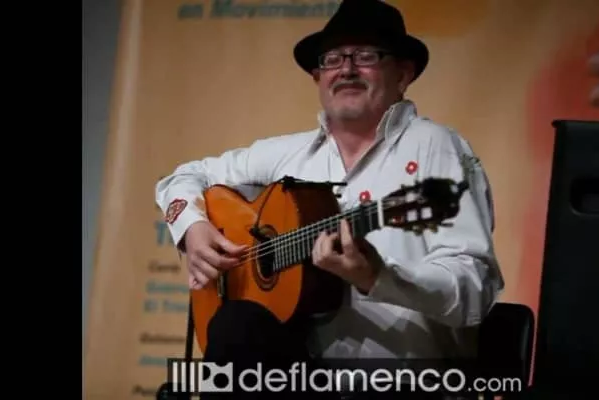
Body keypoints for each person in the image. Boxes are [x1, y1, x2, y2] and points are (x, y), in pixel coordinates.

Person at [155, 0, 504, 398]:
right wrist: (194, 229)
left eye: (366, 56)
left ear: (403, 74)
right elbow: (181, 178)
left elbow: (475, 289)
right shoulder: (289, 154)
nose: (347, 69)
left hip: (405, 387)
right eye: (333, 58)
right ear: (318, 77)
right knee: (235, 326)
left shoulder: (436, 147)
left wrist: (380, 278)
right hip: (300, 381)